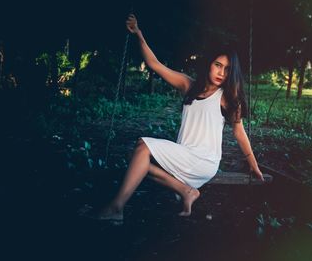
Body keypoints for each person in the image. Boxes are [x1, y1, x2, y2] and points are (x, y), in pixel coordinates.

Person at [96, 14, 268, 220]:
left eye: (227, 69)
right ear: (209, 64)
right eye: (218, 65)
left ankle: (116, 208)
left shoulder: (228, 98)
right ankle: (185, 190)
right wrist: (139, 34)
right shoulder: (188, 85)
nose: (221, 72)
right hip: (184, 153)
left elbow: (239, 132)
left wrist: (253, 165)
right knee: (135, 158)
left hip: (204, 160)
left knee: (142, 145)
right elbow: (155, 64)